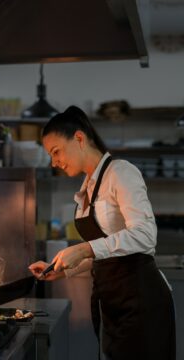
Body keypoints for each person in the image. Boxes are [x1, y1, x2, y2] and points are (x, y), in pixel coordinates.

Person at [29, 105, 176, 360]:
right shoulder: (87, 188)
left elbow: (145, 234)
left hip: (140, 302)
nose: (54, 162)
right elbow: (105, 255)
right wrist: (63, 270)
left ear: (79, 138)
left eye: (56, 152)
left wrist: (84, 248)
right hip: (111, 304)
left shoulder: (121, 172)